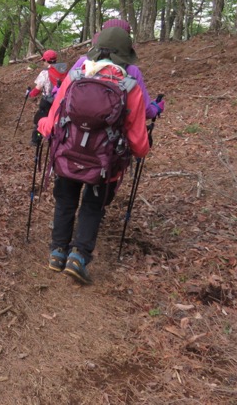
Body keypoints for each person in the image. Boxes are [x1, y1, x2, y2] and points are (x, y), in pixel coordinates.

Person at [37, 27, 150, 285]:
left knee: (65, 199)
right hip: (104, 162)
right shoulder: (129, 85)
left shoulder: (76, 76)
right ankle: (79, 257)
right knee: (92, 206)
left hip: (67, 153)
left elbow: (55, 118)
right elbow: (137, 139)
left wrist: (42, 125)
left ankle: (57, 252)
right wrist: (141, 151)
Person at [71, 18, 164, 120]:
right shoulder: (131, 70)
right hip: (113, 133)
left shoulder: (83, 62)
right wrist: (156, 108)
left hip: (76, 132)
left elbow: (60, 97)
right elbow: (144, 110)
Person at [27, 50, 67, 146]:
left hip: (47, 101)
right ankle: (54, 141)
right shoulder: (63, 70)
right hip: (59, 101)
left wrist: (30, 94)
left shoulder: (45, 73)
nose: (43, 63)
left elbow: (37, 89)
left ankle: (36, 140)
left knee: (39, 120)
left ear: (46, 60)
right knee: (55, 120)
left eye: (43, 61)